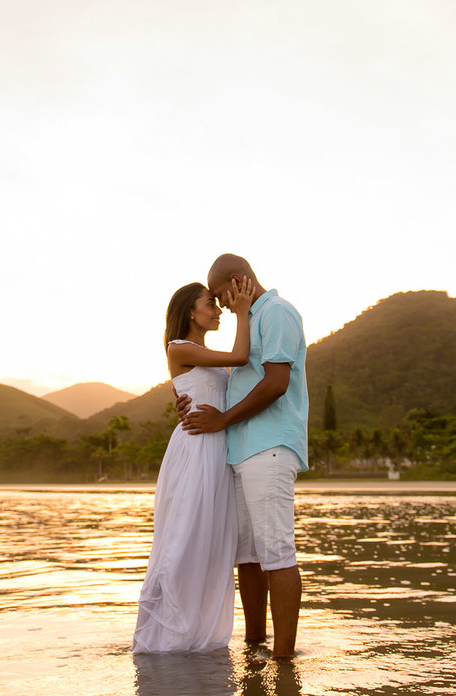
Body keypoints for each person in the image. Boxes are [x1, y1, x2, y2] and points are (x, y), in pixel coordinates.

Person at [178, 254, 308, 659]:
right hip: (241, 450)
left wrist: (222, 421)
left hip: (269, 447)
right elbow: (229, 381)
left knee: (276, 552)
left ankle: (284, 660)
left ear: (237, 281)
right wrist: (192, 405)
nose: (219, 304)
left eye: (220, 295)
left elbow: (276, 384)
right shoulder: (248, 323)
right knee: (248, 556)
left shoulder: (277, 313)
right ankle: (256, 648)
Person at [132, 277, 255, 654]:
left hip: (218, 451)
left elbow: (205, 386)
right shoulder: (179, 347)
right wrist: (243, 312)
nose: (217, 310)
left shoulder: (198, 352)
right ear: (190, 311)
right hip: (195, 449)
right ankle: (167, 635)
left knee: (213, 543)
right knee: (184, 538)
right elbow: (240, 357)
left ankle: (198, 633)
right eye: (210, 304)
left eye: (219, 306)